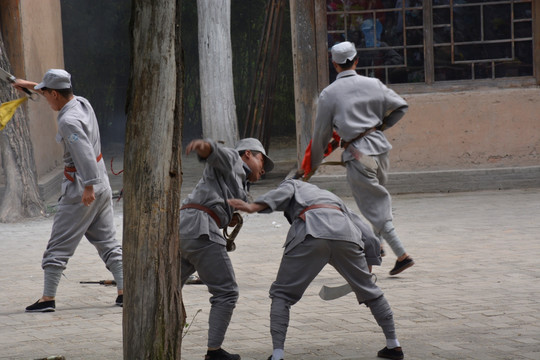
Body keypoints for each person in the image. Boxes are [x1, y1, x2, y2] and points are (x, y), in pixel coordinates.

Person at [228, 179, 404, 360]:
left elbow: (281, 194)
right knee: (371, 292)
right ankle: (394, 345)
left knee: (282, 294)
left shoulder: (293, 185)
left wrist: (253, 207)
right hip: (346, 235)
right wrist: (367, 269)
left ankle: (278, 355)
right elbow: (366, 233)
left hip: (310, 233)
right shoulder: (332, 198)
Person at [13, 69, 123, 312]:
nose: (46, 99)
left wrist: (88, 187)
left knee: (58, 246)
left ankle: (47, 299)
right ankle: (125, 292)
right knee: (107, 242)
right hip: (102, 185)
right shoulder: (82, 102)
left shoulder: (67, 120)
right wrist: (29, 85)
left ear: (54, 94)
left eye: (47, 94)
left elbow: (82, 153)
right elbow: (52, 90)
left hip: (82, 188)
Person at [308, 41, 414, 276]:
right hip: (381, 149)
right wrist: (380, 127)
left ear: (334, 64)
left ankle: (402, 255)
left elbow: (321, 135)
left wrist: (313, 163)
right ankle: (377, 249)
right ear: (356, 60)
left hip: (358, 154)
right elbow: (401, 107)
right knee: (375, 201)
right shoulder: (374, 84)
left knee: (374, 205)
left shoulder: (329, 94)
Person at [180, 137, 274, 360]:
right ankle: (214, 352)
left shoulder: (240, 182)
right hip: (200, 230)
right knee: (227, 291)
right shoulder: (233, 158)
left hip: (184, 230)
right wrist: (204, 146)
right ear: (248, 154)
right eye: (262, 161)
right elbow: (217, 154)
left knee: (169, 289)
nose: (263, 171)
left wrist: (225, 215)